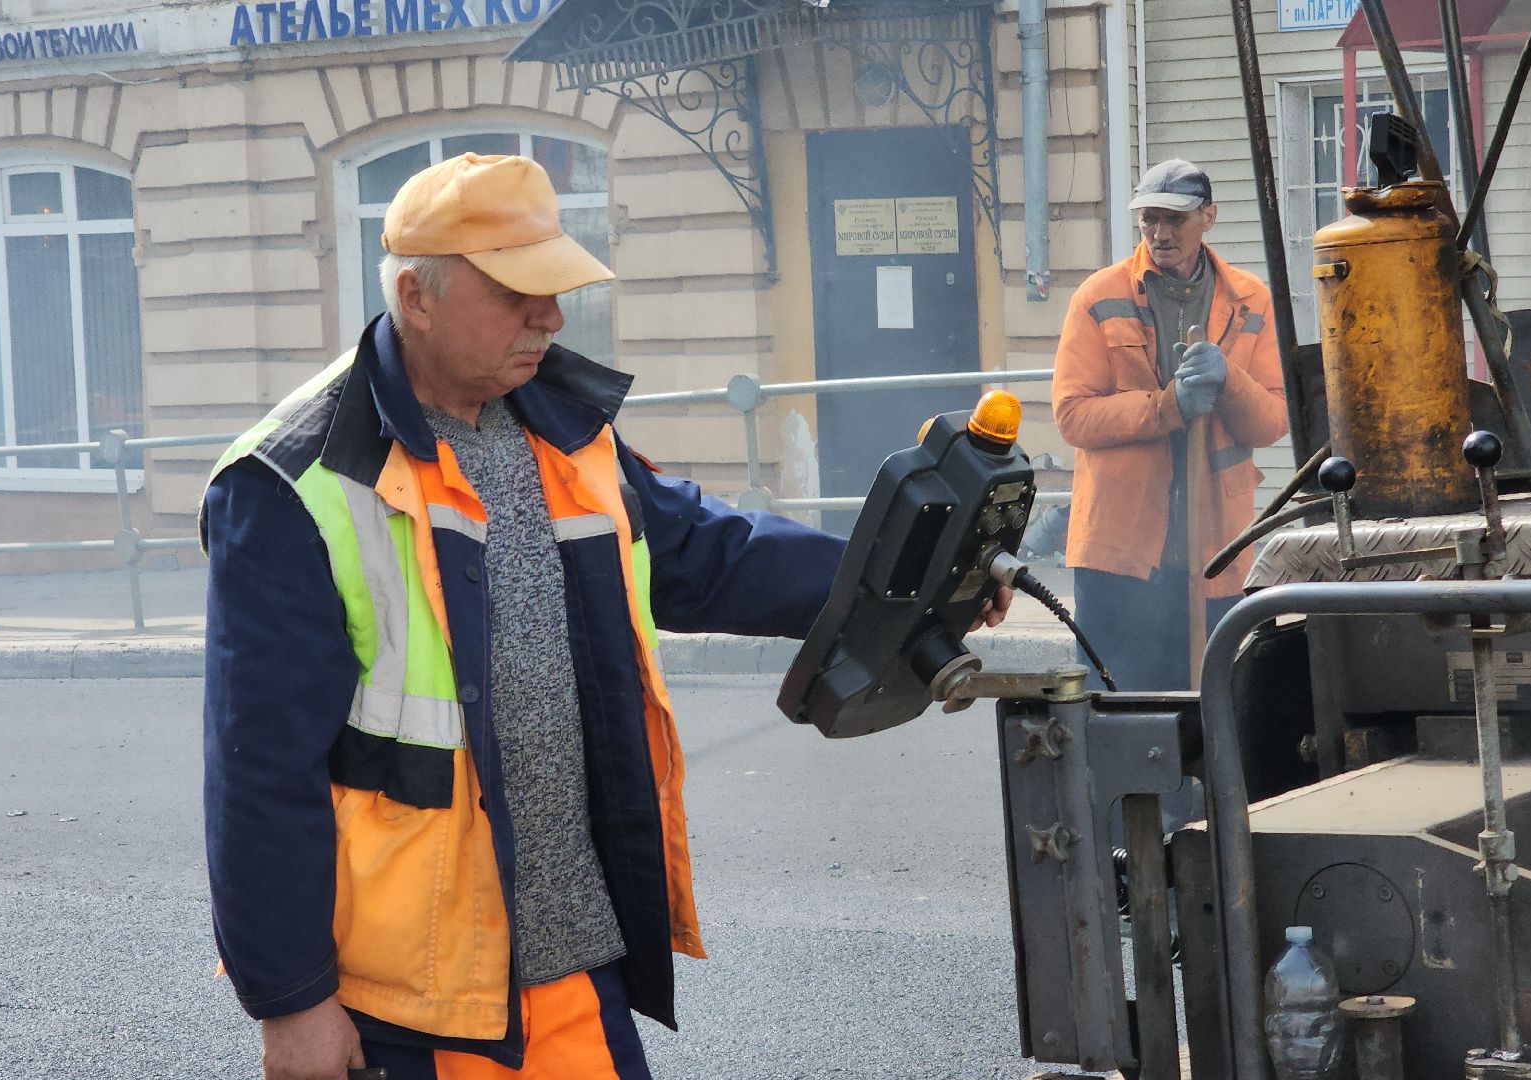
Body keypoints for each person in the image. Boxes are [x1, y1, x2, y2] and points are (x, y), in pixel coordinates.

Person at [200, 153, 1008, 1080]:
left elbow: (708, 554)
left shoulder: (559, 427)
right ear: (416, 297)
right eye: (518, 293)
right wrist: (291, 1002)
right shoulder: (292, 482)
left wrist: (920, 578)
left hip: (576, 966)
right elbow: (258, 771)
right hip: (411, 1002)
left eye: (557, 289)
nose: (550, 316)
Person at [1050, 159, 1288, 690]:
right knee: (1122, 709)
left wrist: (1228, 379)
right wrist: (1169, 407)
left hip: (1217, 550)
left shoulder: (1250, 300)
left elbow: (1271, 421)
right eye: (1148, 219)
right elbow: (1072, 415)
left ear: (1208, 217)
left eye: (1175, 219)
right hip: (1121, 552)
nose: (1159, 233)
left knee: (1217, 710)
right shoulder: (1098, 296)